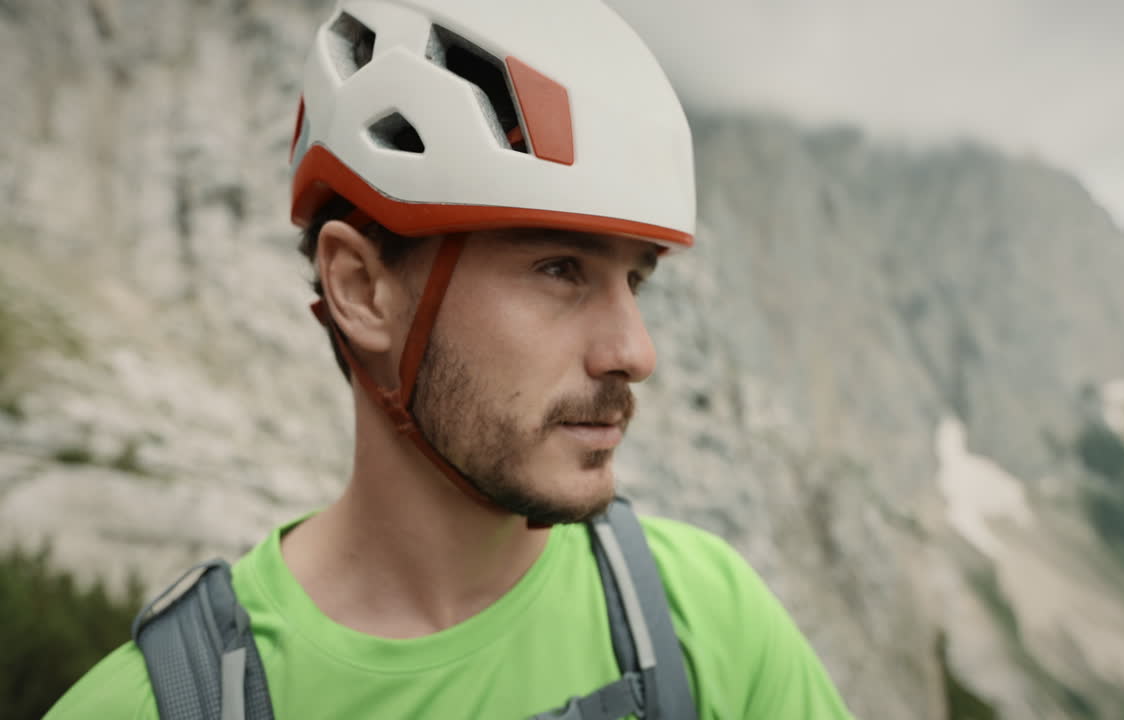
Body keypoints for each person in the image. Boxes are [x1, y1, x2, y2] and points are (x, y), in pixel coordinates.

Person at [46, 0, 854, 717]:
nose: (636, 352)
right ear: (362, 289)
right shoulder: (155, 705)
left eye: (635, 280)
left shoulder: (709, 621)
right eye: (560, 269)